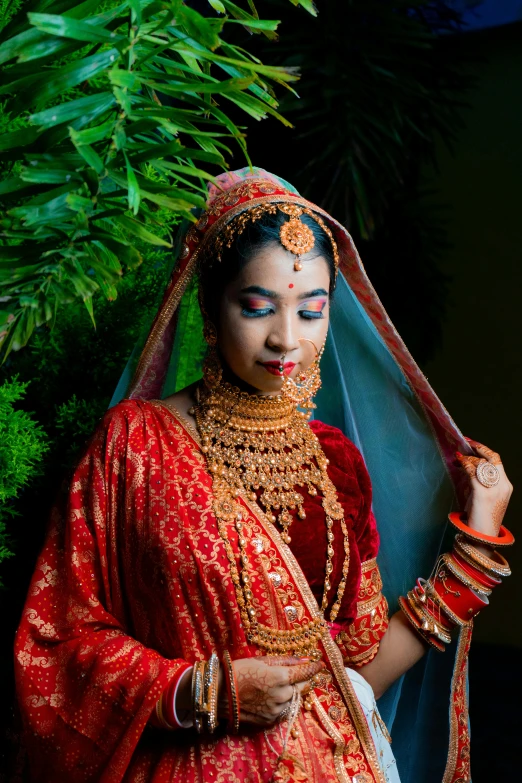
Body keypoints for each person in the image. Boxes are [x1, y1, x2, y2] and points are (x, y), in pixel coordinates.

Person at [14, 169, 513, 783]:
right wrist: (204, 691)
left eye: (311, 311)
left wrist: (476, 546)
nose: (287, 339)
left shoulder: (335, 463)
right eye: (257, 308)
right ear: (210, 306)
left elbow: (356, 676)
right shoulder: (136, 443)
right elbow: (54, 645)